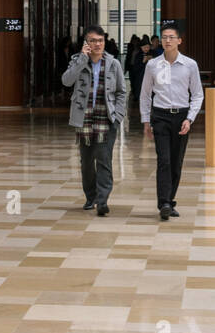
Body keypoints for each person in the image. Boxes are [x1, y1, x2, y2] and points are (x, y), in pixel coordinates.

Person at [61, 25, 127, 216]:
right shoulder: (77, 60)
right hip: (84, 118)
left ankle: (102, 200)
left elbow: (121, 92)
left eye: (100, 41)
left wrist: (118, 115)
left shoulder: (113, 63)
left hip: (106, 117)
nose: (97, 44)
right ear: (86, 43)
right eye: (93, 41)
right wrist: (82, 59)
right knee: (87, 162)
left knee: (104, 159)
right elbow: (66, 81)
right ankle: (91, 196)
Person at [140, 24, 204, 221]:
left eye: (171, 37)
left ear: (179, 40)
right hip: (160, 117)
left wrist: (189, 119)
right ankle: (164, 203)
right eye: (164, 37)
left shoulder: (190, 65)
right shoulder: (152, 65)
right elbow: (145, 95)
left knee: (176, 163)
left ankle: (170, 199)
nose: (167, 40)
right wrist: (145, 121)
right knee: (164, 160)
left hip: (181, 116)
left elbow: (197, 95)